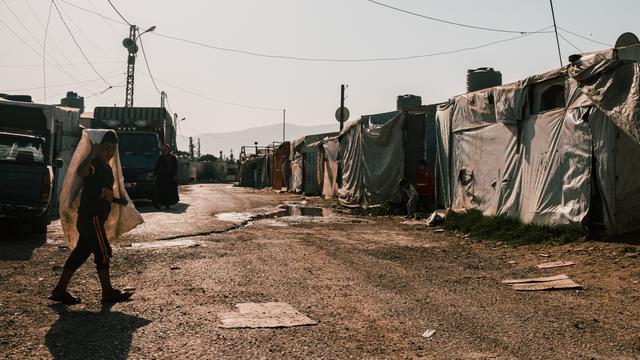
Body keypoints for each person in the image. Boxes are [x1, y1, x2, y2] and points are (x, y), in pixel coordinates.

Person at [50, 131, 132, 304]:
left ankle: (60, 289)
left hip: (92, 219)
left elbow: (103, 193)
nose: (109, 152)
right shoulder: (94, 164)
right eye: (106, 148)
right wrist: (92, 154)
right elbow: (81, 172)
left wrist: (118, 199)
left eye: (113, 149)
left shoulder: (107, 169)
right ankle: (107, 292)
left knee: (80, 253)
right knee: (103, 253)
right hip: (92, 219)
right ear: (98, 148)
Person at [154, 144, 179, 210]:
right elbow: (157, 167)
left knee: (170, 191)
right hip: (162, 177)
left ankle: (169, 204)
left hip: (170, 177)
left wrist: (175, 176)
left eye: (166, 149)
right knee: (162, 191)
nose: (165, 151)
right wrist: (155, 175)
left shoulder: (173, 157)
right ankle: (163, 204)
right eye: (164, 149)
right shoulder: (160, 157)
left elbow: (175, 167)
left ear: (169, 150)